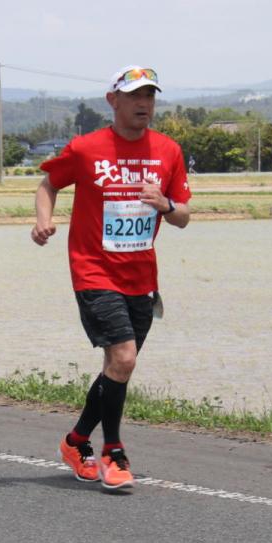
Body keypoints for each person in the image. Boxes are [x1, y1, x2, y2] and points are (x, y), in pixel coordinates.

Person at [31, 65, 191, 491]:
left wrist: (164, 203)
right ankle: (113, 453)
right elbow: (48, 183)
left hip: (141, 276)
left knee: (116, 369)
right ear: (113, 100)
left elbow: (184, 218)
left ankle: (75, 441)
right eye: (136, 96)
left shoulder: (168, 152)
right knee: (123, 359)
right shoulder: (87, 149)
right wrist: (43, 221)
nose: (144, 104)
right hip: (93, 269)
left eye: (151, 97)